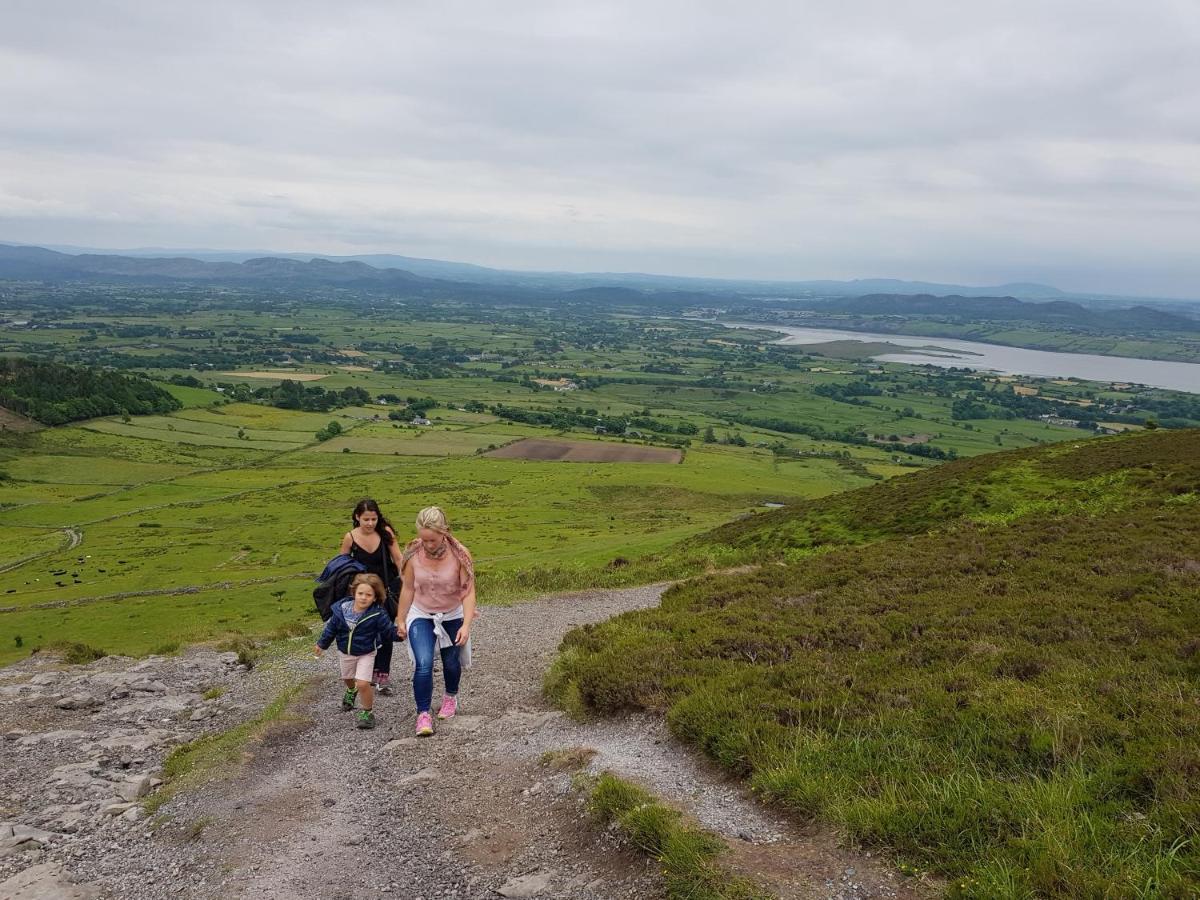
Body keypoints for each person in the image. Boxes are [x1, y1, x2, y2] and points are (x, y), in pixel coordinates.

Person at [397, 506, 476, 737]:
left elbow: (468, 592)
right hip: (421, 612)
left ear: (444, 532)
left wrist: (466, 624)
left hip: (452, 613)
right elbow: (408, 588)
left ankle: (450, 697)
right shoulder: (413, 553)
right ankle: (423, 714)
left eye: (431, 540)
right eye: (423, 539)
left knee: (451, 662)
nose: (427, 545)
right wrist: (400, 618)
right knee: (424, 663)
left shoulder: (460, 555)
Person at [314, 573, 400, 730]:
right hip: (345, 652)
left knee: (363, 683)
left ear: (375, 597)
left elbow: (388, 631)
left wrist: (400, 634)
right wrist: (322, 644)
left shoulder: (377, 614)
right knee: (347, 678)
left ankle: (367, 712)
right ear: (353, 593)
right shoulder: (341, 610)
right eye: (360, 593)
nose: (363, 598)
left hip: (366, 653)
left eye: (369, 595)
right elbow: (331, 629)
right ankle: (350, 689)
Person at [340, 499, 404, 694]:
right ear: (357, 517)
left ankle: (382, 676)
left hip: (386, 590)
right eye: (366, 519)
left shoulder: (385, 533)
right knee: (365, 633)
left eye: (373, 519)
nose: (370, 523)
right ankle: (364, 674)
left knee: (385, 633)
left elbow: (399, 558)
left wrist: (406, 583)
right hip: (362, 594)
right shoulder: (350, 538)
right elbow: (342, 565)